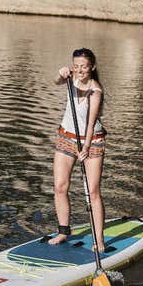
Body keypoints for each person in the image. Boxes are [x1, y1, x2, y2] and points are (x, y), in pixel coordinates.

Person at [48, 48, 106, 251]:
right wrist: (60, 73)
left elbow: (90, 125)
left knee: (92, 192)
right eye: (76, 66)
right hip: (66, 137)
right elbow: (56, 82)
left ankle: (99, 241)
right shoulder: (70, 77)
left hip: (92, 141)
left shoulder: (96, 91)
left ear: (92, 67)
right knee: (60, 186)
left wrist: (87, 147)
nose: (79, 70)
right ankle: (63, 231)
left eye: (84, 67)